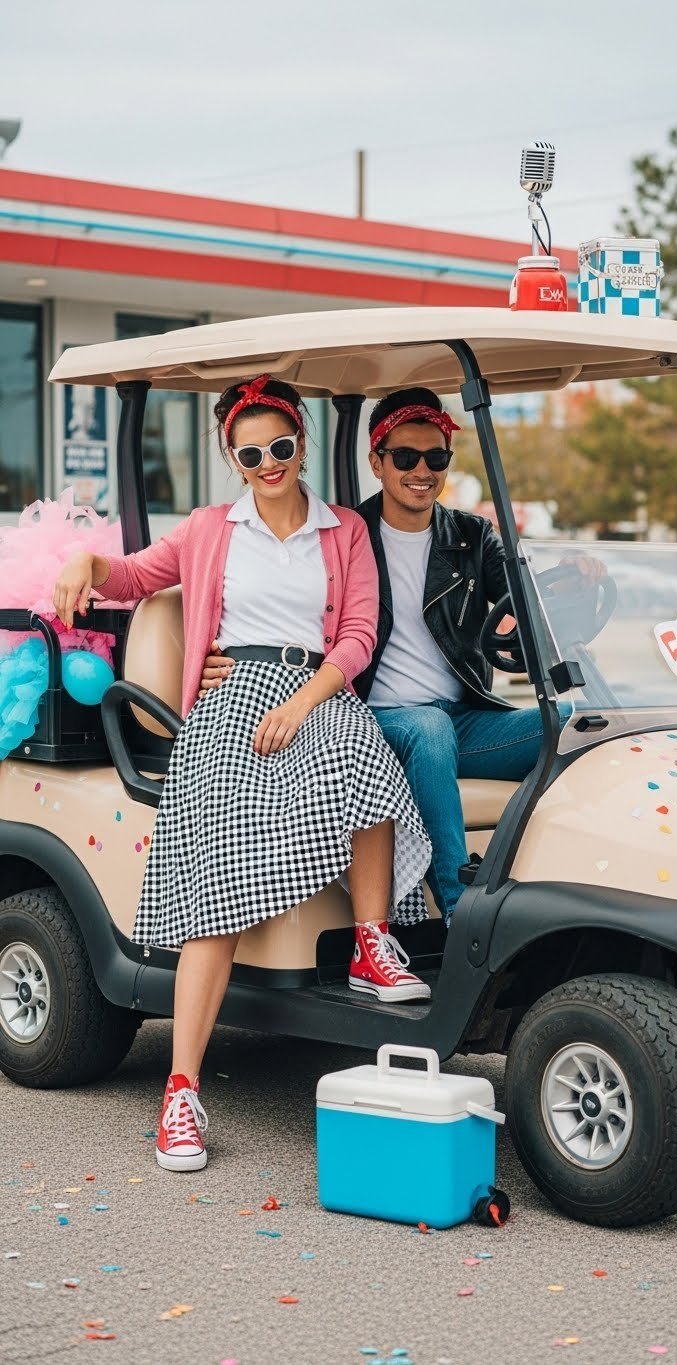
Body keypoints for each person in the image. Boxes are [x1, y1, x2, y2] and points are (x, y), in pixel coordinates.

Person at [52, 375, 432, 1174]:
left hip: (317, 690)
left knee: (366, 753)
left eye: (280, 447)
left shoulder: (342, 531)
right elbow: (134, 577)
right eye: (250, 454)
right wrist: (87, 558)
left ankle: (371, 943)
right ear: (233, 458)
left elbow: (358, 633)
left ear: (301, 443)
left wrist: (305, 699)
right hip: (231, 699)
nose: (268, 464)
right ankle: (181, 1090)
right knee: (219, 871)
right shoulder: (208, 529)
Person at [202, 386, 601, 923]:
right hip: (368, 723)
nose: (422, 471)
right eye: (406, 457)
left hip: (460, 723)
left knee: (582, 722)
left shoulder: (470, 535)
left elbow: (524, 601)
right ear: (377, 462)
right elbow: (277, 607)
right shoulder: (346, 535)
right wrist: (220, 656)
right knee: (427, 730)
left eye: (435, 458)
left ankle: (578, 898)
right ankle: (462, 915)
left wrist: (573, 583)